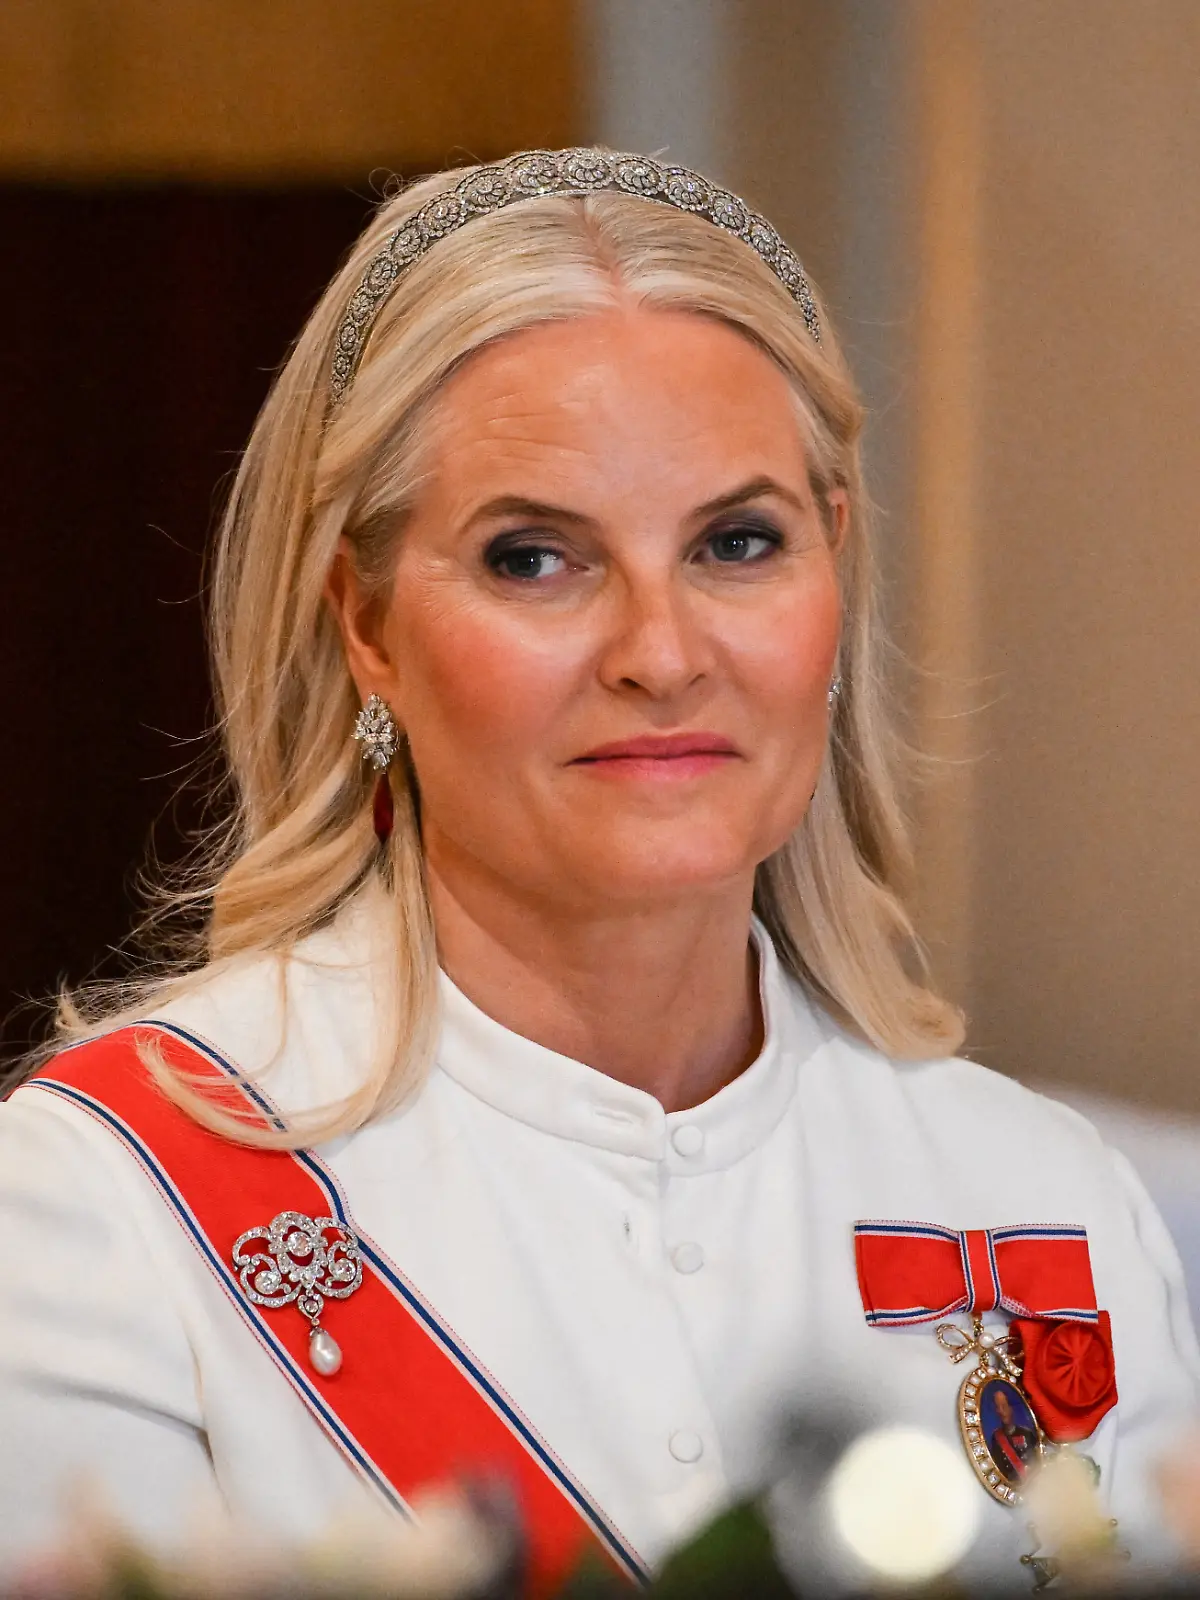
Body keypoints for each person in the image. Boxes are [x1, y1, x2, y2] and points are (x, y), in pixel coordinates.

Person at [0, 147, 1196, 1591]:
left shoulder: (1048, 1194)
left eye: (737, 543)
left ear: (834, 565)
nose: (663, 652)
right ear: (365, 623)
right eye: (535, 560)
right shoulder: (102, 1200)